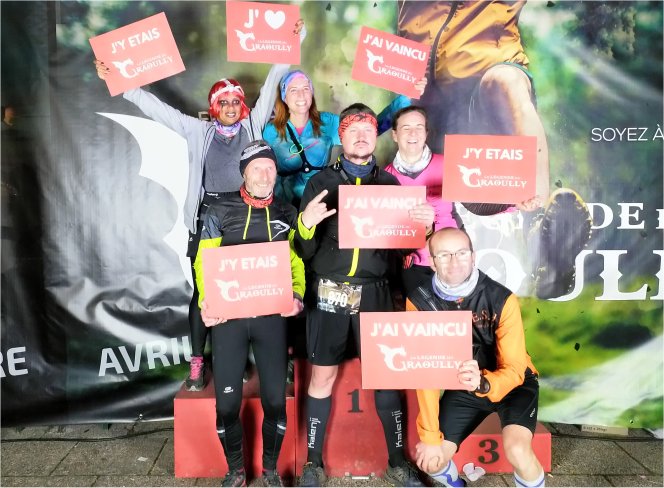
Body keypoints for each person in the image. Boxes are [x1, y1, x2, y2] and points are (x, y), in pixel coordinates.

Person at [93, 19, 305, 391]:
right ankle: (197, 362)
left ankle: (271, 357)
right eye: (223, 102)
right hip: (210, 218)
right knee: (205, 292)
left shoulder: (253, 125)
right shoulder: (198, 131)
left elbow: (273, 82)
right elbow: (158, 110)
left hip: (252, 214)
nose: (230, 107)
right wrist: (123, 84)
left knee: (265, 284)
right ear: (213, 106)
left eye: (235, 101)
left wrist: (293, 39)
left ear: (242, 105)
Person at [397, 1, 592, 299]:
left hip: (485, 86)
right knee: (425, 216)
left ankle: (541, 229)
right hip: (428, 103)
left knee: (506, 81)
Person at [294, 103, 435, 487]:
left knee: (386, 379)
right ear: (341, 136)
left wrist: (424, 227)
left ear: (377, 137)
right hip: (330, 291)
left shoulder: (390, 186)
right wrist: (305, 224)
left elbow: (404, 248)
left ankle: (397, 462)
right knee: (322, 377)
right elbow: (302, 251)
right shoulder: (320, 183)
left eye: (367, 131)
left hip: (376, 293)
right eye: (352, 130)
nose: (360, 137)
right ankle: (312, 463)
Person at [195, 141, 305, 487]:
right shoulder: (219, 210)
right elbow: (203, 262)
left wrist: (297, 296)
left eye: (270, 168)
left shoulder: (287, 212)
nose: (264, 175)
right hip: (230, 319)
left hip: (271, 318)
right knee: (227, 405)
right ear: (244, 173)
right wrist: (207, 301)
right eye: (257, 168)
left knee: (275, 401)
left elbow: (296, 263)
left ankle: (270, 471)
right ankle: (236, 470)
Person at [407, 227, 544, 488]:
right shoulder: (419, 301)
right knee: (431, 460)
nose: (454, 261)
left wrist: (483, 382)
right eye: (444, 255)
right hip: (464, 385)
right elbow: (425, 372)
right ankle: (457, 485)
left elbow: (515, 368)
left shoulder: (501, 298)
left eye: (461, 253)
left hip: (513, 384)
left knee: (517, 450)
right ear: (432, 262)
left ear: (473, 256)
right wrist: (430, 437)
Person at [263, 70, 426, 207]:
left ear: (311, 93)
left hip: (320, 201)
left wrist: (406, 97)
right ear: (284, 97)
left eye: (306, 88)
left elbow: (370, 126)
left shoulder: (327, 123)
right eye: (293, 90)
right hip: (284, 206)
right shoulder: (271, 131)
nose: (301, 95)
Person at [384, 105, 463, 297]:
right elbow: (385, 230)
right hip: (413, 265)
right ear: (394, 135)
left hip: (451, 259)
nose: (413, 133)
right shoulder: (385, 177)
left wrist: (513, 205)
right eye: (406, 128)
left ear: (426, 133)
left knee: (454, 314)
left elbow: (480, 198)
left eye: (419, 127)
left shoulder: (448, 164)